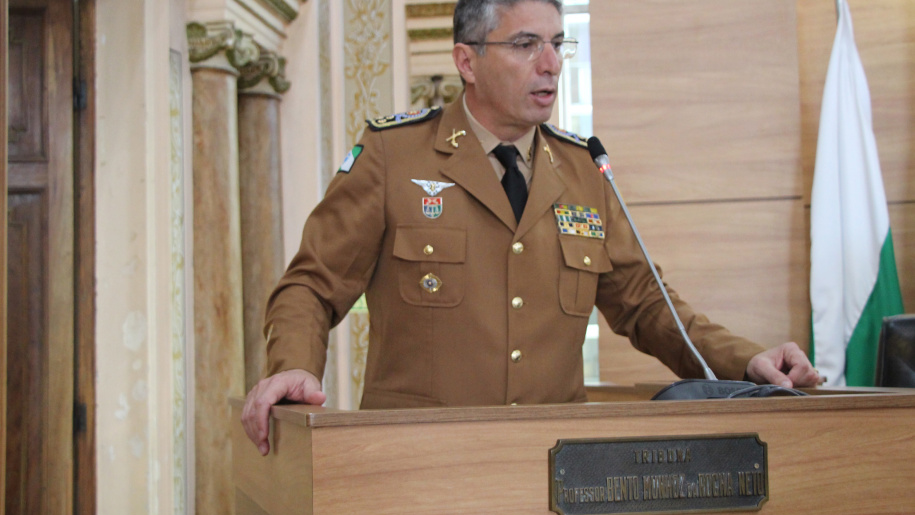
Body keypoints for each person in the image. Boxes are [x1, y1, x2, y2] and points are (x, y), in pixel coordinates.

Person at [242, 0, 820, 455]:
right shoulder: (394, 156)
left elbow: (646, 305)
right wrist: (294, 365)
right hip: (416, 460)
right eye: (525, 44)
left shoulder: (583, 170)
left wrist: (744, 363)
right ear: (467, 61)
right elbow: (312, 285)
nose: (551, 63)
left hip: (553, 470)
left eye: (557, 44)